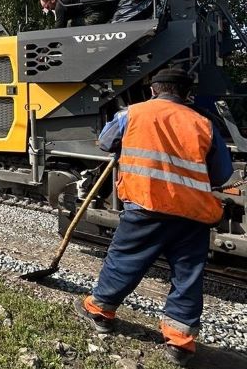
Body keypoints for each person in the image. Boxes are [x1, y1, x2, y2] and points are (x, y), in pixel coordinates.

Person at [73, 68, 232, 367]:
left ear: (153, 91)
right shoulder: (205, 124)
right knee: (187, 275)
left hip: (146, 205)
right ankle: (180, 342)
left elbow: (105, 143)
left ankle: (101, 311)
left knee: (125, 260)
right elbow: (222, 174)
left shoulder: (131, 114)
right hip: (193, 213)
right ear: (186, 95)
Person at [39, 0, 106, 28]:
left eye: (47, 7)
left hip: (95, 15)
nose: (49, 9)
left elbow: (59, 28)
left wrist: (47, 49)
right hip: (100, 11)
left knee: (70, 24)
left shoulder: (59, 5)